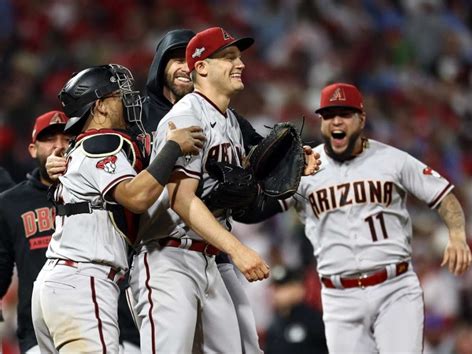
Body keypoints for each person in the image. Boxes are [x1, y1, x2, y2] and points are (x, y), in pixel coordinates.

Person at [285, 82, 472, 353]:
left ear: (361, 119)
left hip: (394, 289)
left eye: (345, 113)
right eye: (329, 114)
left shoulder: (392, 159)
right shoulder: (303, 170)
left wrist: (456, 236)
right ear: (322, 122)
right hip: (339, 296)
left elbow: (444, 196)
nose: (336, 121)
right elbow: (262, 207)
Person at [31, 63, 205, 353]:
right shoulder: (101, 143)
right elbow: (136, 197)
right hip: (82, 282)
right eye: (118, 95)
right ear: (99, 107)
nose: (127, 100)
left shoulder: (81, 148)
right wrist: (173, 147)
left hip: (58, 284)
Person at [129, 27, 272, 354]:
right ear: (202, 67)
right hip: (169, 257)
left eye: (239, 57)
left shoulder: (231, 122)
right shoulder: (187, 115)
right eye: (229, 57)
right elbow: (181, 199)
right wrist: (238, 249)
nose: (241, 65)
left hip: (207, 258)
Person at [0, 111, 71, 353]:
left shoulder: (96, 194)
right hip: (35, 329)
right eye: (50, 139)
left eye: (67, 139)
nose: (59, 146)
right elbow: (2, 267)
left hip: (91, 316)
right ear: (32, 149)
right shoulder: (10, 202)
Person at [264, 265, 328, 354]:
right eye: (276, 288)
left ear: (299, 289)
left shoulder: (314, 320)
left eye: (284, 287)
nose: (278, 293)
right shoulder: (274, 324)